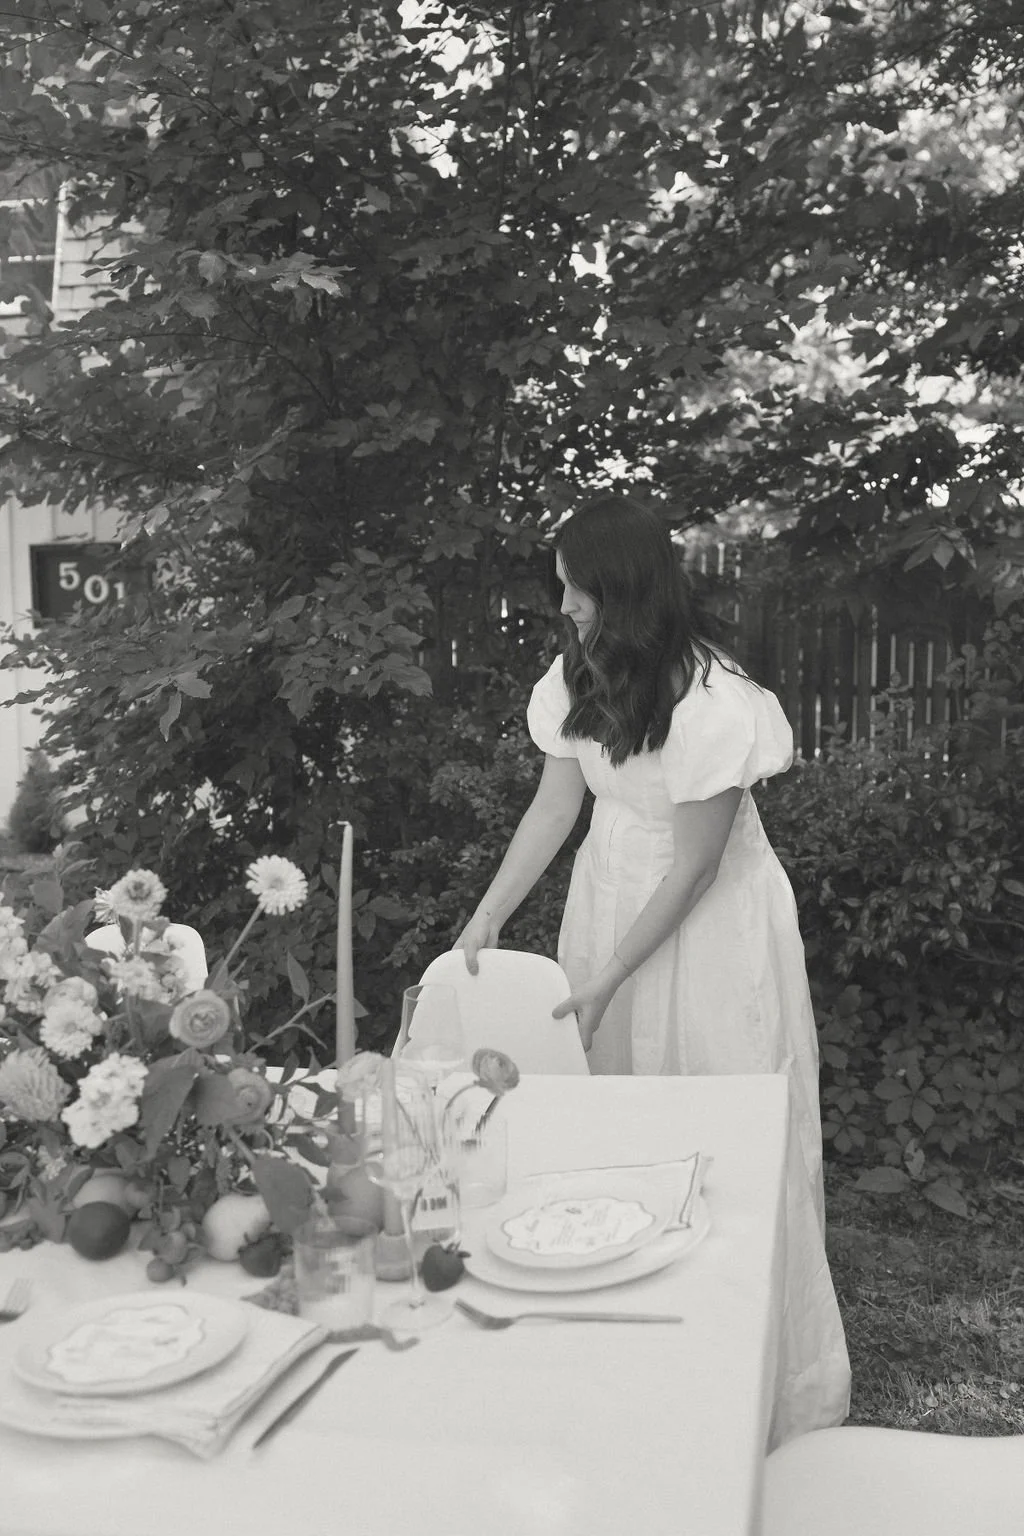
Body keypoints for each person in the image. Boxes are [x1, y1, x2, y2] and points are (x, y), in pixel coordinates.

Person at [456, 491, 850, 1444]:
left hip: (708, 927)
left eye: (575, 590)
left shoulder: (715, 699)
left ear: (620, 586)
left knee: (722, 1131)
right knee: (614, 1122)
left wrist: (613, 975)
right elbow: (555, 811)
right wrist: (482, 923)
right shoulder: (575, 678)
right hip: (611, 898)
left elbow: (702, 863)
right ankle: (628, 1366)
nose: (563, 607)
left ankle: (751, 1386)